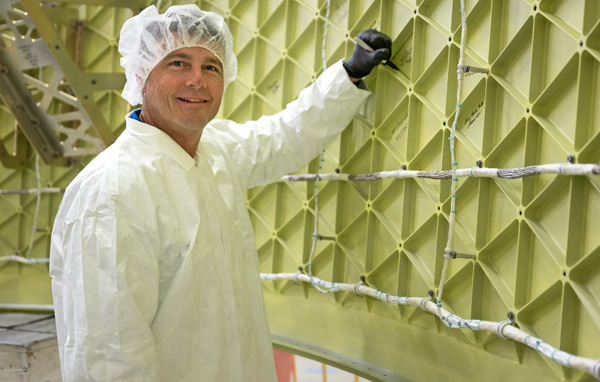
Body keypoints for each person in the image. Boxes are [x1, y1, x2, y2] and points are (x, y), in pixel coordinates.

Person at [49, 4, 392, 381]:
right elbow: (107, 357)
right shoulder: (111, 193)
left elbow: (284, 137)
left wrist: (349, 75)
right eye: (177, 63)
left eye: (211, 66)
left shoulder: (213, 151)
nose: (197, 80)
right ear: (140, 76)